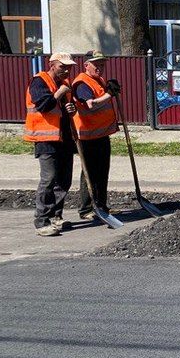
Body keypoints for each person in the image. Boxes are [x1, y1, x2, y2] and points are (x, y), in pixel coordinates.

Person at [24, 52, 78, 236]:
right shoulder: (39, 81)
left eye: (69, 67)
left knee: (64, 179)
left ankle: (56, 215)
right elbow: (44, 105)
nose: (67, 70)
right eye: (63, 66)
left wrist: (70, 107)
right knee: (49, 179)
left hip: (64, 138)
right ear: (52, 65)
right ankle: (42, 221)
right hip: (45, 139)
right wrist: (59, 94)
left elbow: (60, 110)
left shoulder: (63, 85)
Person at [71, 50, 120, 222]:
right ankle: (86, 209)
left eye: (102, 64)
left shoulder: (97, 80)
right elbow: (90, 105)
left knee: (102, 171)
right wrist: (109, 94)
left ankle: (101, 205)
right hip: (87, 136)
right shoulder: (81, 84)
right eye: (96, 64)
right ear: (86, 65)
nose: (100, 68)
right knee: (90, 173)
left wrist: (109, 89)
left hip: (101, 134)